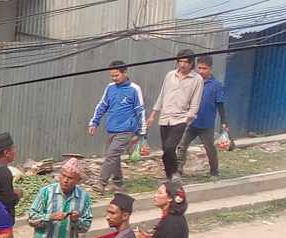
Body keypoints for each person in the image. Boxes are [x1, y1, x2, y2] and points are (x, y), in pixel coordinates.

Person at [87, 61, 147, 195]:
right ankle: (118, 184)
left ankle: (101, 184)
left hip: (127, 130)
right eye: (112, 76)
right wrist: (94, 122)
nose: (114, 78)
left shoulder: (134, 89)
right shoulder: (110, 88)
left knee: (111, 155)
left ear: (125, 73)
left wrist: (141, 132)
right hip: (112, 129)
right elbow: (102, 105)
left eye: (116, 75)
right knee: (114, 158)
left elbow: (140, 110)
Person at [146, 49, 204, 180]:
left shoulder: (197, 79)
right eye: (180, 61)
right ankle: (169, 176)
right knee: (165, 150)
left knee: (170, 146)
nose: (182, 65)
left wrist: (188, 117)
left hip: (181, 118)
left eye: (186, 62)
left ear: (191, 63)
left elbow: (196, 101)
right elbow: (162, 95)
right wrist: (153, 115)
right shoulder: (170, 75)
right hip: (165, 118)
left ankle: (174, 173)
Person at [176, 56, 229, 179]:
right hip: (191, 123)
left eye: (204, 68)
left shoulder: (216, 85)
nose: (201, 71)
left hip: (206, 125)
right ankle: (178, 170)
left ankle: (214, 171)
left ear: (210, 69)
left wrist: (224, 121)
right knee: (182, 145)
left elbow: (220, 104)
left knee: (209, 148)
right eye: (199, 68)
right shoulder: (192, 81)